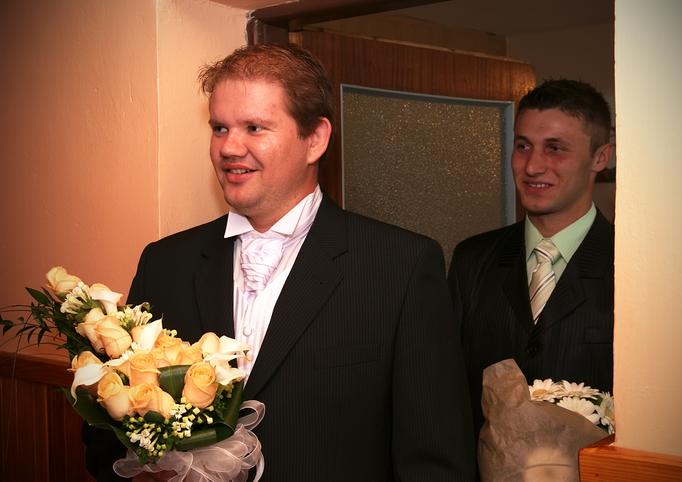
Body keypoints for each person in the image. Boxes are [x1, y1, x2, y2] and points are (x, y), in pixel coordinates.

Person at [84, 43, 475, 482]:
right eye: (219, 128)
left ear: (315, 139)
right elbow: (107, 443)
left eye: (254, 127)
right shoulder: (166, 263)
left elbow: (436, 459)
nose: (229, 147)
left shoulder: (399, 266)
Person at [447, 79, 615, 441]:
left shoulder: (629, 268)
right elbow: (447, 389)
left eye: (555, 148)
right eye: (523, 146)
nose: (533, 166)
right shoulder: (472, 260)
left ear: (600, 157)